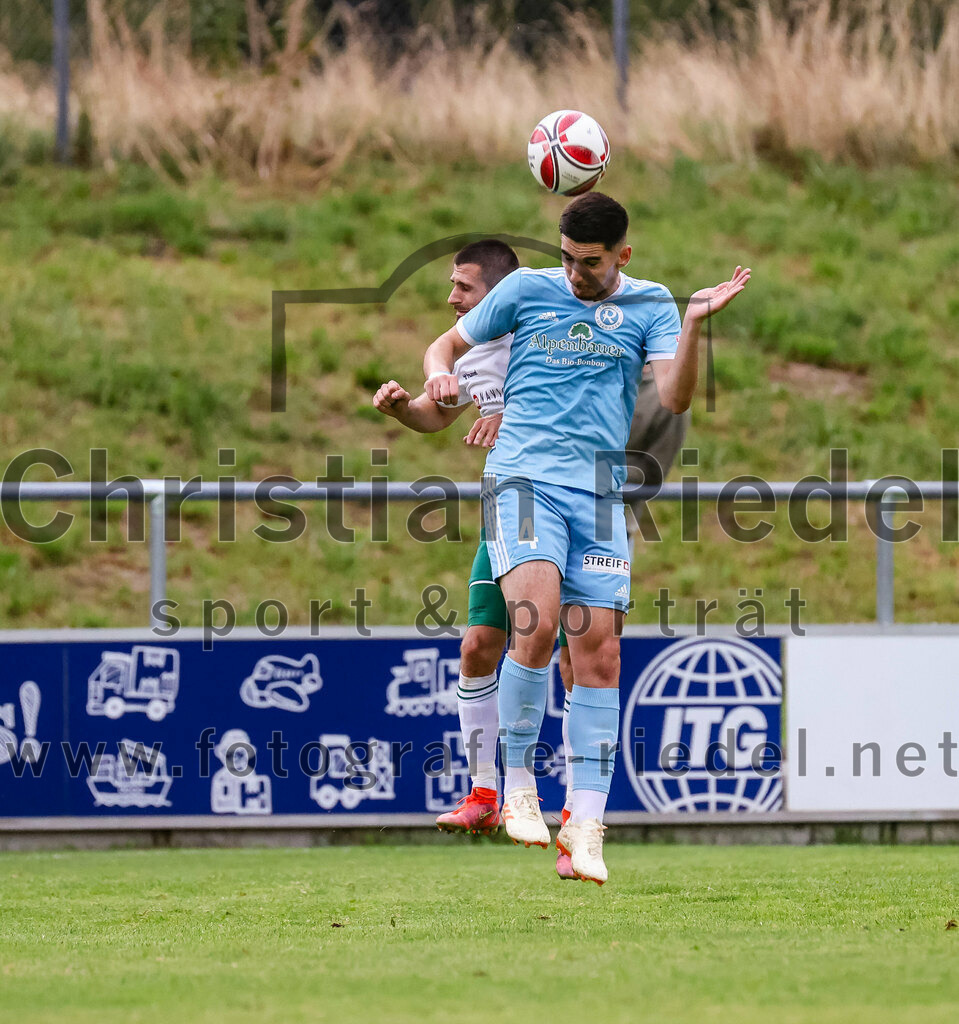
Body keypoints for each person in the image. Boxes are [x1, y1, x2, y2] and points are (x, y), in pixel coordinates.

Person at [423, 192, 750, 884]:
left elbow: (677, 398)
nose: (575, 274)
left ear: (621, 256)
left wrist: (692, 324)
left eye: (590, 263)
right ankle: (517, 789)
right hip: (523, 478)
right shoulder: (525, 289)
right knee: (534, 624)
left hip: (599, 495)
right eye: (568, 259)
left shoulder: (653, 305)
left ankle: (586, 826)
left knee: (598, 656)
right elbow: (446, 343)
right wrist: (436, 375)